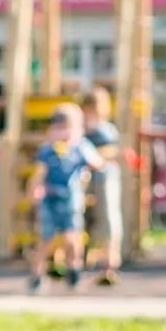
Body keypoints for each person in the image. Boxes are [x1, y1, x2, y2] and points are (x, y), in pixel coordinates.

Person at [27, 104, 102, 294]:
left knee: (72, 238)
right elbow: (39, 173)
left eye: (67, 128)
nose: (62, 133)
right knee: (46, 239)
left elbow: (97, 163)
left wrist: (90, 166)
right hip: (50, 198)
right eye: (57, 128)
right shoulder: (48, 150)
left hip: (71, 198)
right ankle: (37, 275)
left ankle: (74, 271)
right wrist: (35, 189)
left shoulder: (81, 147)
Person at [79, 88, 124, 286]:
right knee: (82, 217)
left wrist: (94, 158)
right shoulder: (82, 129)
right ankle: (79, 258)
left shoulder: (106, 129)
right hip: (85, 177)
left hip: (104, 177)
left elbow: (112, 151)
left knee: (107, 217)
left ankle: (109, 262)